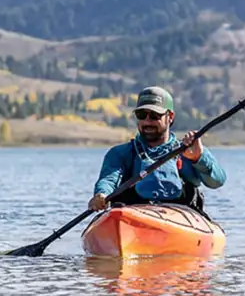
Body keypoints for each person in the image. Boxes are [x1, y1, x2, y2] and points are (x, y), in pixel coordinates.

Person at [88, 86, 227, 215]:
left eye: (154, 115)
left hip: (181, 221)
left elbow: (217, 181)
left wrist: (199, 159)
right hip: (132, 220)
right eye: (142, 115)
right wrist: (102, 194)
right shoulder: (120, 154)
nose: (147, 121)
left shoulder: (191, 150)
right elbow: (108, 180)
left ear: (170, 117)